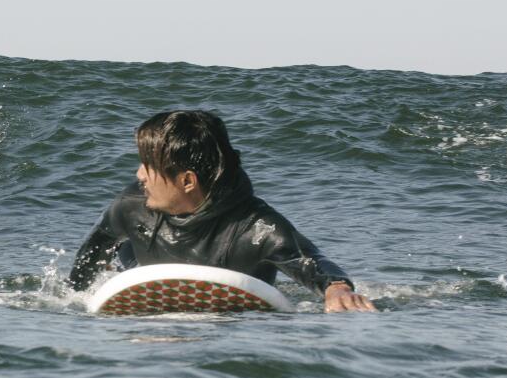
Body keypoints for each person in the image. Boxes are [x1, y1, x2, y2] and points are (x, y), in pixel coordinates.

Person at [67, 109, 375, 312]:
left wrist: (336, 289)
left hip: (228, 312)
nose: (139, 175)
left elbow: (311, 260)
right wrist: (77, 299)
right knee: (125, 254)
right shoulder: (132, 207)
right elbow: (90, 255)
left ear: (187, 181)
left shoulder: (255, 227)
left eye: (149, 166)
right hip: (145, 282)